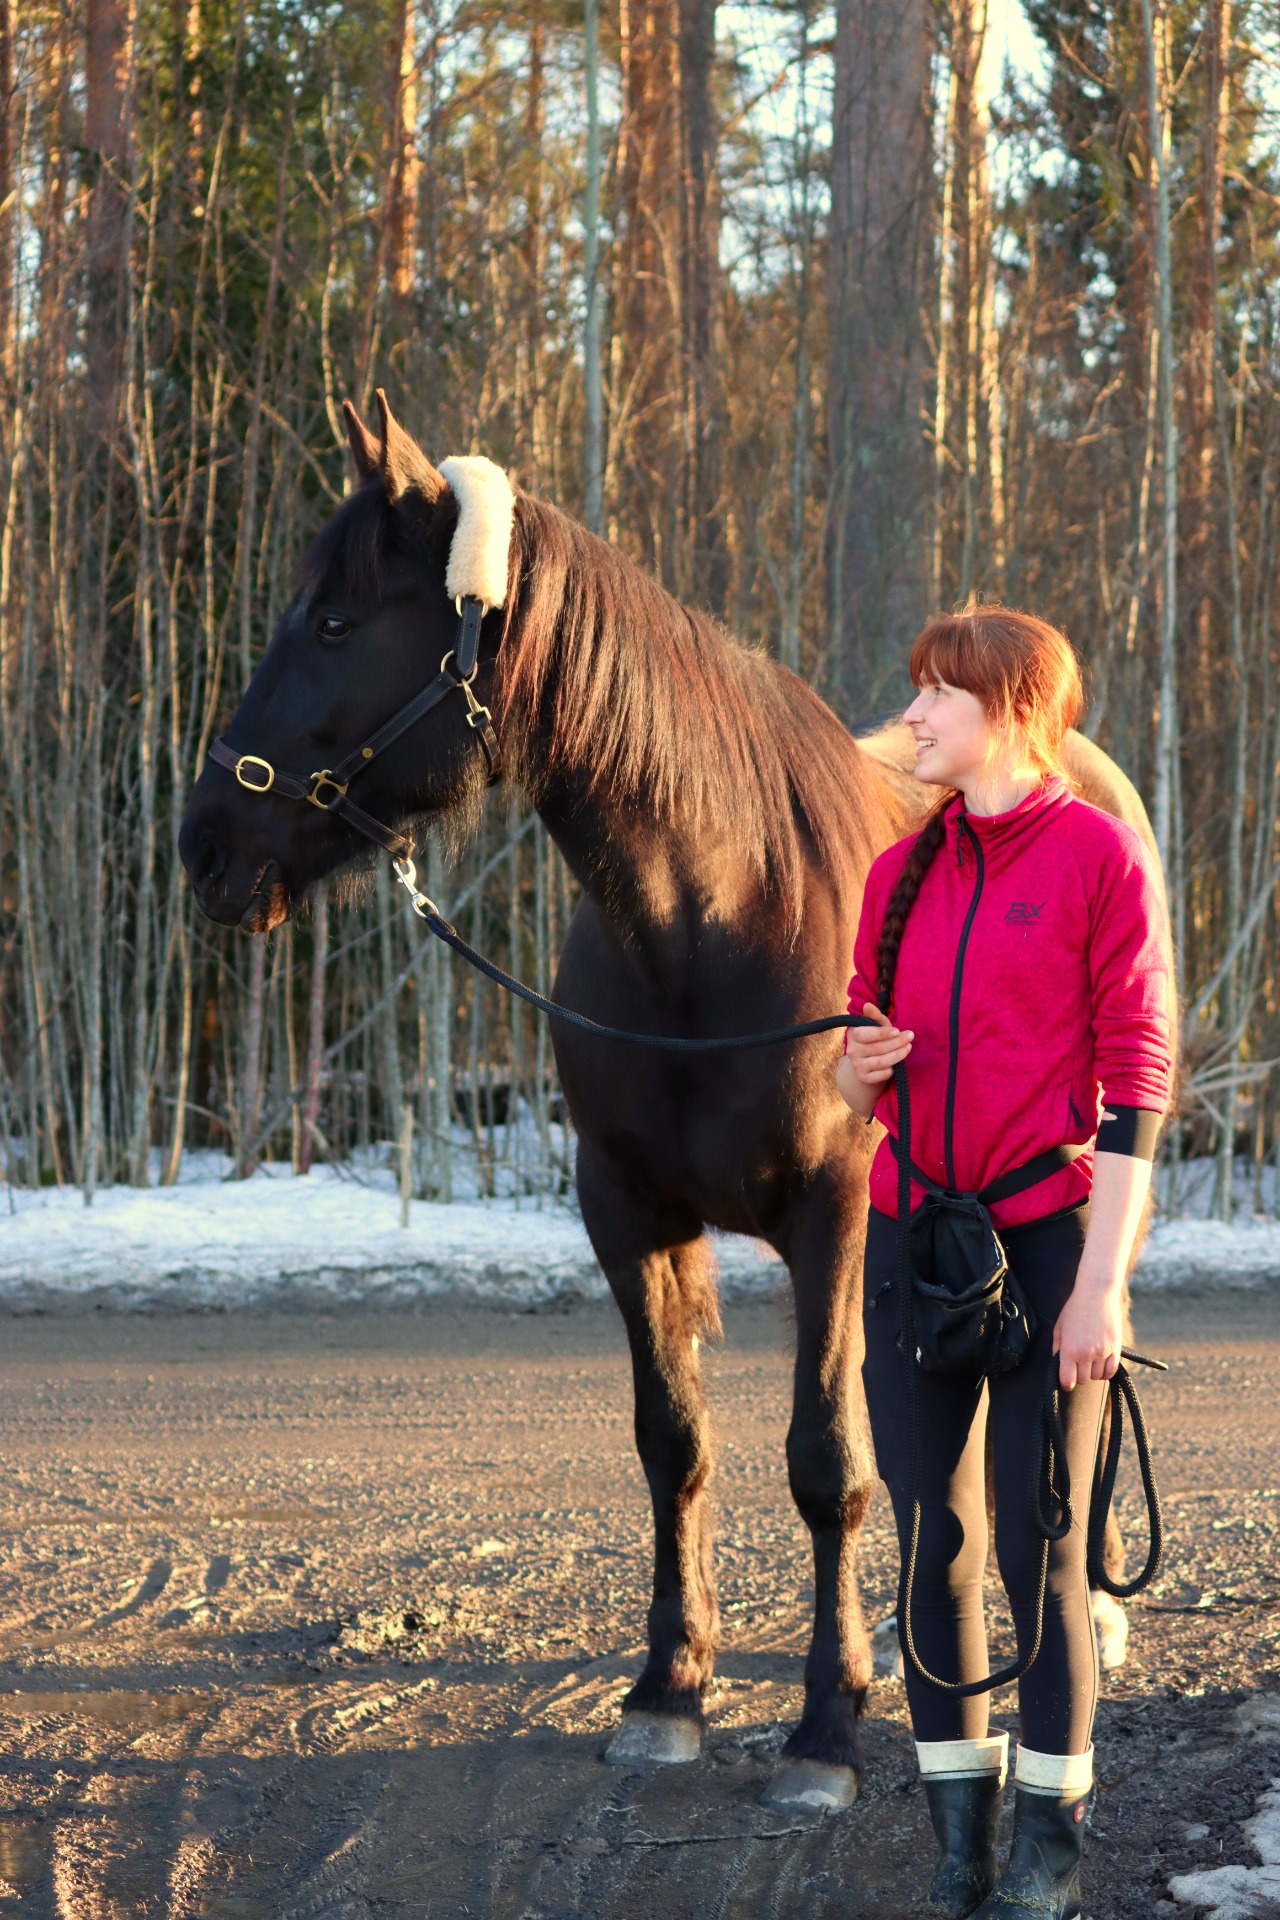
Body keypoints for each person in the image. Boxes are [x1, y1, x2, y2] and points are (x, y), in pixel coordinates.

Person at [836, 607, 1172, 1919]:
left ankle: (1049, 1855)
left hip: (1045, 1244)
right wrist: (859, 1071)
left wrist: (1101, 1285)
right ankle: (960, 1844)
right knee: (934, 1545)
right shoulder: (896, 875)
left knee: (1043, 1557)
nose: (913, 716)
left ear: (1014, 712)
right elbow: (855, 1080)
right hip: (912, 1243)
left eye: (938, 695)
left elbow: (1139, 1084)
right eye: (917, 690)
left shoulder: (1098, 857)